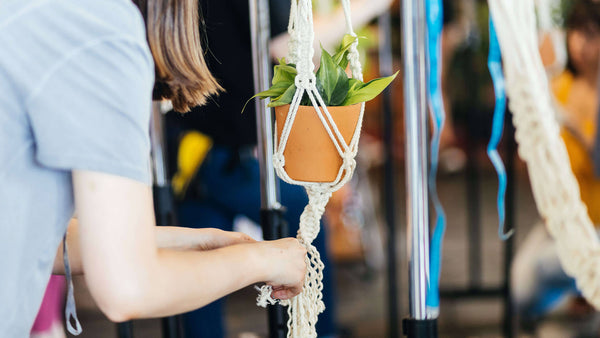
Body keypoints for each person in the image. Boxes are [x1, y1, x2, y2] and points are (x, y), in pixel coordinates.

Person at [0, 0, 307, 337]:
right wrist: (265, 261)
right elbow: (127, 287)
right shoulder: (100, 30)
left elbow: (39, 234)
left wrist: (196, 242)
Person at [166, 0, 392, 336]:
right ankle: (317, 329)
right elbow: (289, 46)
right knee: (302, 223)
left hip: (192, 148)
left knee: (198, 257)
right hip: (223, 154)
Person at [512, 0, 600, 329]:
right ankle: (579, 289)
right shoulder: (558, 87)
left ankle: (584, 286)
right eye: (575, 33)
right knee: (521, 287)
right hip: (559, 220)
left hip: (596, 223)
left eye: (590, 35)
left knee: (569, 262)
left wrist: (577, 128)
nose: (579, 43)